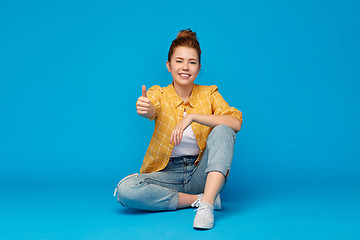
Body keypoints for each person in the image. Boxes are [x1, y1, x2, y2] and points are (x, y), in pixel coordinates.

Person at [114, 28, 243, 230]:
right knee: (125, 189)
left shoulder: (209, 94)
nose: (185, 67)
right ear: (169, 65)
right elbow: (151, 108)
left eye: (192, 62)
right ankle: (198, 199)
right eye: (179, 61)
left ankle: (206, 206)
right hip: (167, 175)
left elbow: (236, 123)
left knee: (224, 128)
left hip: (202, 172)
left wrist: (192, 117)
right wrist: (146, 109)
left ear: (199, 68)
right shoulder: (159, 93)